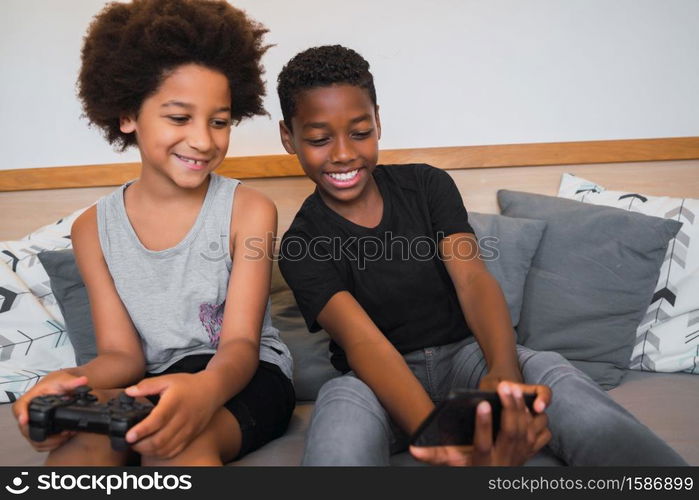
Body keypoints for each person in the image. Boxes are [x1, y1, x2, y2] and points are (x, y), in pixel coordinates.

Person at [275, 45, 688, 466]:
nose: (343, 153)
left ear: (378, 121)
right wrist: (444, 437)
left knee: (551, 372)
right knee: (339, 403)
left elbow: (472, 281)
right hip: (378, 381)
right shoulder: (301, 244)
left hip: (466, 357)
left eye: (360, 132)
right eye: (319, 139)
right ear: (289, 138)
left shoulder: (427, 185)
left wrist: (503, 371)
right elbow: (364, 343)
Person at [12, 0, 294, 466]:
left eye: (219, 121)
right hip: (151, 379)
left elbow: (241, 345)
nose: (204, 140)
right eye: (180, 118)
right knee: (78, 452)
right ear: (128, 116)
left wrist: (203, 391)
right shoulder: (91, 230)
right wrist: (69, 381)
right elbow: (121, 356)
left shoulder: (249, 210)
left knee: (182, 447)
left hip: (247, 376)